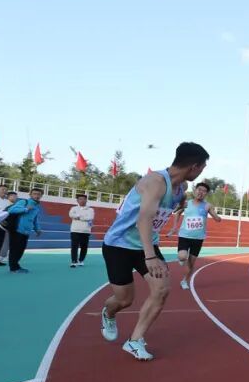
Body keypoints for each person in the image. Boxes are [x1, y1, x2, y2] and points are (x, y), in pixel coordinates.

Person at [99, 142, 208, 360]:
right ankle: (108, 313)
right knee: (124, 300)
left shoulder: (181, 187)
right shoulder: (155, 182)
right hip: (119, 245)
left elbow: (178, 200)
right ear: (194, 167)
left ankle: (135, 340)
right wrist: (150, 256)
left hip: (147, 244)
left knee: (162, 289)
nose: (201, 172)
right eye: (202, 167)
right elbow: (144, 219)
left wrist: (180, 203)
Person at [169, 181, 222, 290]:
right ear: (195, 191)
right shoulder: (186, 203)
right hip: (185, 236)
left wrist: (217, 217)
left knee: (191, 264)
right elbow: (177, 213)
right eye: (199, 190)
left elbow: (216, 218)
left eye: (204, 191)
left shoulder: (207, 206)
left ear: (206, 194)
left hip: (198, 238)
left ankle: (185, 281)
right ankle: (182, 259)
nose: (201, 192)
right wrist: (174, 227)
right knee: (182, 256)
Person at [3, 188, 44, 273]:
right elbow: (11, 210)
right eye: (34, 194)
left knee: (20, 250)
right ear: (30, 195)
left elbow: (35, 219)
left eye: (38, 194)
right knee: (15, 249)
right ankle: (13, 268)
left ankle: (16, 266)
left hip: (26, 231)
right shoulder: (23, 202)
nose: (36, 196)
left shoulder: (36, 207)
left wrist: (37, 229)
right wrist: (25, 209)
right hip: (17, 229)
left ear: (41, 196)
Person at [69, 193, 95, 268]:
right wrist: (83, 217)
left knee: (84, 246)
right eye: (80, 199)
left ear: (86, 200)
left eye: (84, 199)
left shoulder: (90, 209)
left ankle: (81, 260)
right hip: (75, 230)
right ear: (77, 200)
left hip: (86, 231)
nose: (82, 200)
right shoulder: (73, 208)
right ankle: (74, 261)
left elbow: (90, 217)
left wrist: (78, 217)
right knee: (74, 246)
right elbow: (71, 215)